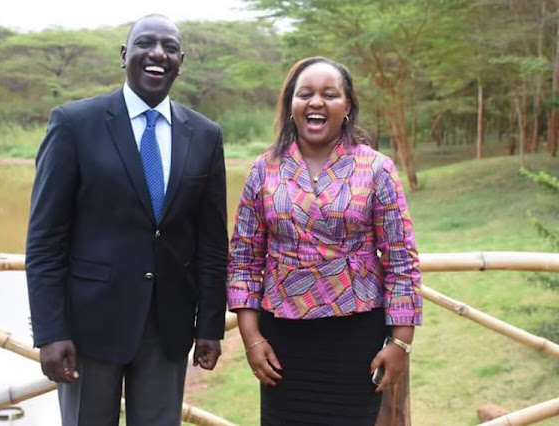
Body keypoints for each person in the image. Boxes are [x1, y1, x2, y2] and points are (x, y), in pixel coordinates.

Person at [25, 14, 228, 426]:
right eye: (145, 43)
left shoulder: (205, 135)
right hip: (88, 328)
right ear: (124, 55)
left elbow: (211, 243)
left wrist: (210, 324)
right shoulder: (74, 124)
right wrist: (50, 331)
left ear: (181, 61)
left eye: (170, 47)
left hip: (168, 329)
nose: (158, 54)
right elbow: (45, 240)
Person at [227, 56, 422, 426]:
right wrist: (251, 338)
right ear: (291, 105)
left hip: (357, 338)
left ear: (347, 107)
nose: (316, 102)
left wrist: (400, 342)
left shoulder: (376, 168)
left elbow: (401, 260)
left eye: (329, 95)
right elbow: (243, 261)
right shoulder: (264, 170)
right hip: (282, 343)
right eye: (305, 94)